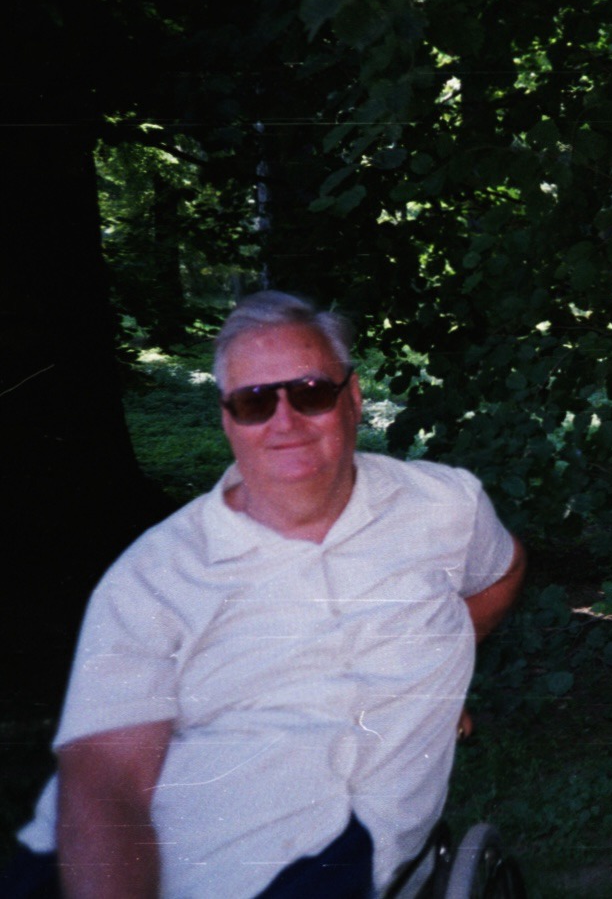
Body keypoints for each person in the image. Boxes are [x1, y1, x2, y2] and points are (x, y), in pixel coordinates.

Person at [5, 292, 526, 899]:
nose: (285, 422)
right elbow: (105, 782)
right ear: (229, 421)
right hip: (135, 854)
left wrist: (443, 667)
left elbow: (502, 571)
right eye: (255, 402)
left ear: (353, 399)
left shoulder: (444, 506)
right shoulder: (154, 575)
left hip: (324, 854)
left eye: (309, 392)